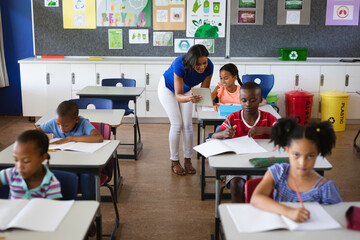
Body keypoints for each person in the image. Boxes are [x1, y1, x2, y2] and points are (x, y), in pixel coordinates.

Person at [251, 118, 342, 223]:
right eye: (296, 155)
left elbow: (336, 217)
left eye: (310, 156)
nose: (302, 163)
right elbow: (256, 198)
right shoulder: (278, 173)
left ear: (317, 154)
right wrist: (288, 211)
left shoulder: (325, 188)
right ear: (287, 151)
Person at [212, 82, 278, 203]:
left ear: (260, 100)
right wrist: (224, 133)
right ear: (240, 100)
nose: (248, 104)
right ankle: (239, 217)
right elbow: (215, 135)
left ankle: (257, 216)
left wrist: (264, 130)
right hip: (237, 162)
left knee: (258, 188)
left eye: (252, 100)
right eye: (244, 100)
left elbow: (284, 132)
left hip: (260, 162)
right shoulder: (233, 117)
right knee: (237, 186)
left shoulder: (268, 117)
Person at [158, 44, 213, 175]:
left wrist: (208, 105)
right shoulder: (179, 64)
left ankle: (188, 160)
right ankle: (174, 161)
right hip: (168, 89)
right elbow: (178, 95)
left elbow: (203, 92)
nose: (202, 67)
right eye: (198, 64)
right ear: (191, 62)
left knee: (188, 125)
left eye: (204, 63)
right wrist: (189, 98)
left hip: (187, 91)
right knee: (177, 124)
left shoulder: (209, 66)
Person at [38, 100, 103, 199]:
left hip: (82, 164)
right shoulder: (55, 122)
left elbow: (98, 138)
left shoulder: (83, 123)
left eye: (65, 125)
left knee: (88, 176)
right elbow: (35, 133)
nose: (61, 128)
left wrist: (70, 138)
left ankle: (89, 206)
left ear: (76, 120)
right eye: (58, 124)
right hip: (61, 163)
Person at [0, 130, 62, 199]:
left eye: (26, 161)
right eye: (16, 160)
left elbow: (52, 209)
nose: (19, 167)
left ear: (43, 158)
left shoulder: (51, 184)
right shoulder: (12, 173)